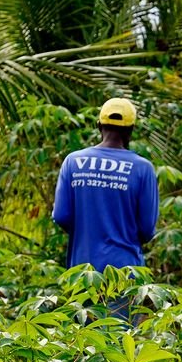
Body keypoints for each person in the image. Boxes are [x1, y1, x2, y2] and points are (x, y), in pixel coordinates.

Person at [52, 97, 159, 314]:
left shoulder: (73, 162)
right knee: (120, 340)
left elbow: (61, 216)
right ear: (130, 131)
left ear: (99, 126)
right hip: (126, 274)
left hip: (82, 273)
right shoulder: (142, 168)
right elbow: (147, 230)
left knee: (86, 340)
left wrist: (88, 232)